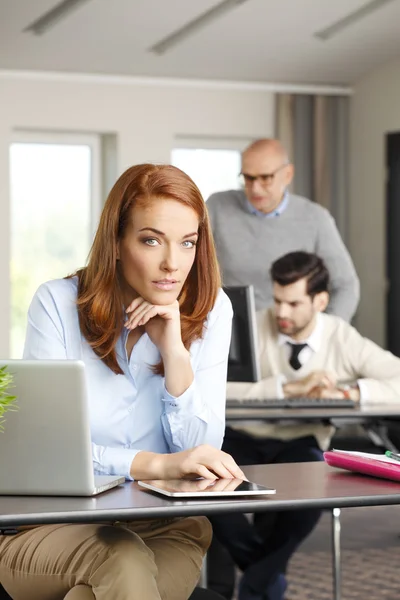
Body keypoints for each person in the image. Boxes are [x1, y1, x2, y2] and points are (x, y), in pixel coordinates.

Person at [0, 163, 245, 600]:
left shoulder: (212, 309)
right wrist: (157, 464)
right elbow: (52, 453)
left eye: (187, 243)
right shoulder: (57, 303)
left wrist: (174, 352)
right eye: (151, 240)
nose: (173, 263)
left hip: (167, 528)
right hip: (54, 528)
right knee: (121, 558)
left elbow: (203, 451)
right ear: (115, 242)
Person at [209, 251, 400, 600]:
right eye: (278, 300)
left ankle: (257, 579)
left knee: (316, 489)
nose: (281, 312)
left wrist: (351, 391)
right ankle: (266, 575)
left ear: (320, 301)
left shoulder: (341, 336)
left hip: (300, 441)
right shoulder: (253, 324)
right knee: (205, 488)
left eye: (294, 303)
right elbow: (211, 385)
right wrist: (285, 387)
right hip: (242, 438)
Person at [207, 138, 359, 321]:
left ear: (287, 175)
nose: (255, 188)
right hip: (232, 329)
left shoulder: (316, 219)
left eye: (265, 178)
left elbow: (346, 286)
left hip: (289, 333)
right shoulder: (217, 207)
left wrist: (326, 335)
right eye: (248, 178)